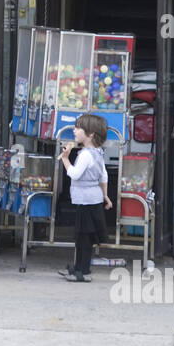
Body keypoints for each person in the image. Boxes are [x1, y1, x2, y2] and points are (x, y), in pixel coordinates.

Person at [58, 113, 112, 283]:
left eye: (78, 128)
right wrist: (105, 196)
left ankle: (83, 271)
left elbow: (74, 173)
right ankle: (79, 267)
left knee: (83, 237)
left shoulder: (85, 155)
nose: (74, 130)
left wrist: (65, 159)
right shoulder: (97, 153)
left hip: (86, 201)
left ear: (90, 134)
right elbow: (104, 177)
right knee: (84, 237)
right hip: (93, 199)